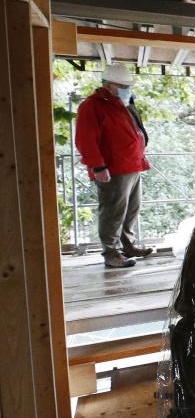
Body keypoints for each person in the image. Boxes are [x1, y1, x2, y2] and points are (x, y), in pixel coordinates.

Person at [76, 63, 154, 268]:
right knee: (113, 211)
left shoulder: (123, 104)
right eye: (123, 85)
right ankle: (111, 253)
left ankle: (128, 245)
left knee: (131, 209)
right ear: (109, 85)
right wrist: (98, 166)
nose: (127, 89)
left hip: (132, 165)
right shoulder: (92, 106)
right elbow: (86, 140)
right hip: (113, 168)